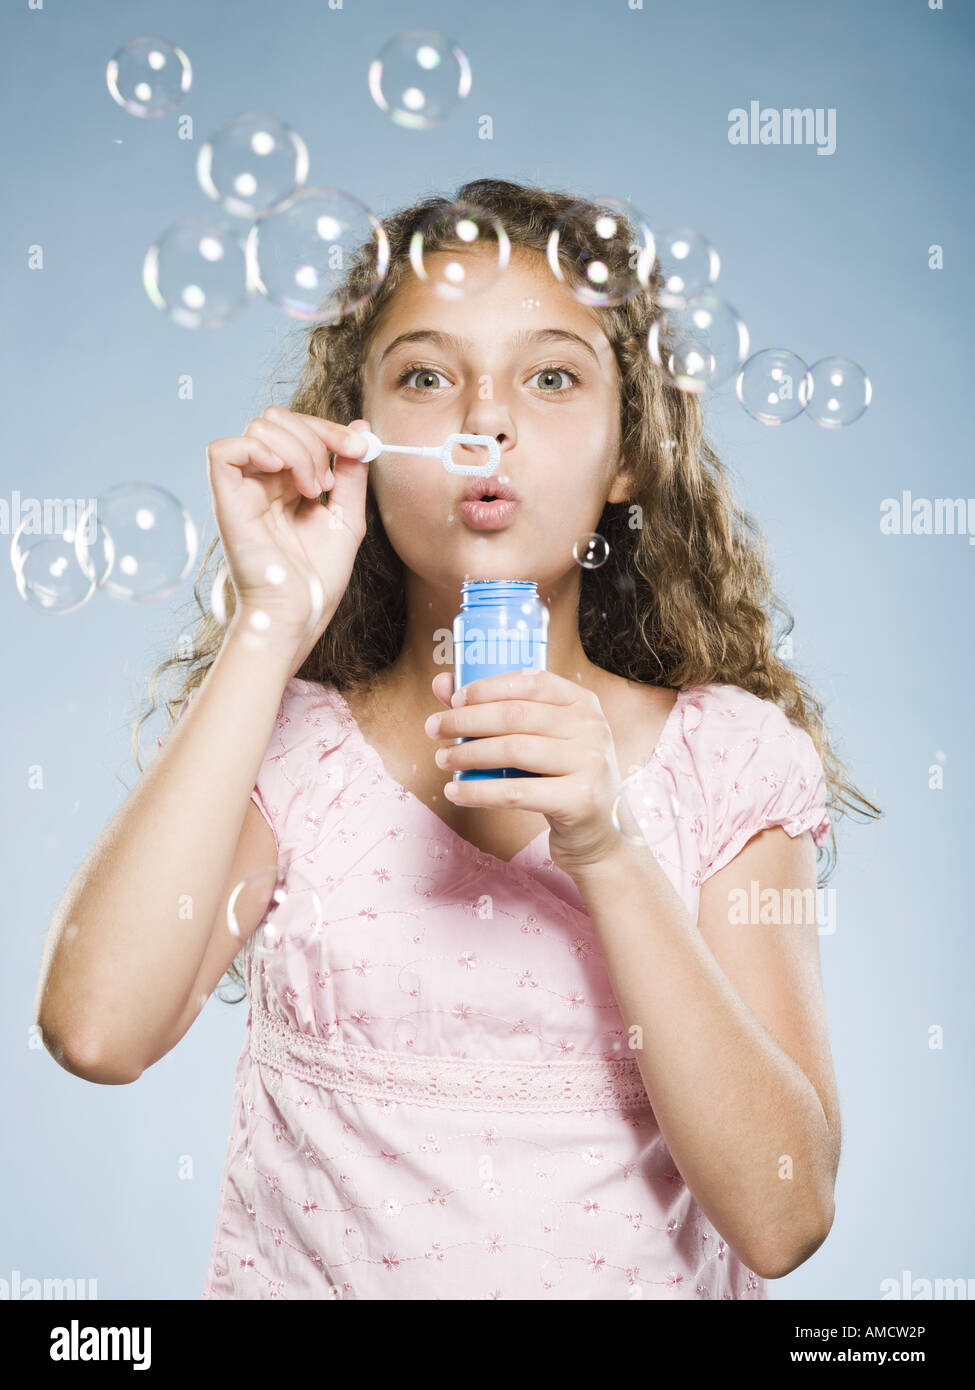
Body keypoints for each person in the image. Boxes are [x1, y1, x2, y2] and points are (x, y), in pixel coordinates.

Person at [37, 177, 881, 1300]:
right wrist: (270, 623)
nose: (487, 422)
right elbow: (96, 1030)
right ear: (363, 441)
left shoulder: (728, 762)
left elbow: (783, 1215)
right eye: (427, 377)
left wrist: (609, 846)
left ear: (630, 453)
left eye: (551, 376)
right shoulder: (292, 753)